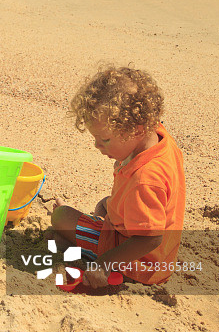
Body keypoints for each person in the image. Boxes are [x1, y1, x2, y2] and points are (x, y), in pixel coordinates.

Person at [48, 65, 185, 288]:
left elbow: (150, 238)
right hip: (154, 251)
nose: (97, 145)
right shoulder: (157, 136)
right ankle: (76, 240)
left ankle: (78, 247)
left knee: (62, 217)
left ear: (137, 130)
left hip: (137, 263)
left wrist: (104, 263)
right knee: (102, 207)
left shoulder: (145, 178)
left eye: (105, 140)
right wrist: (113, 205)